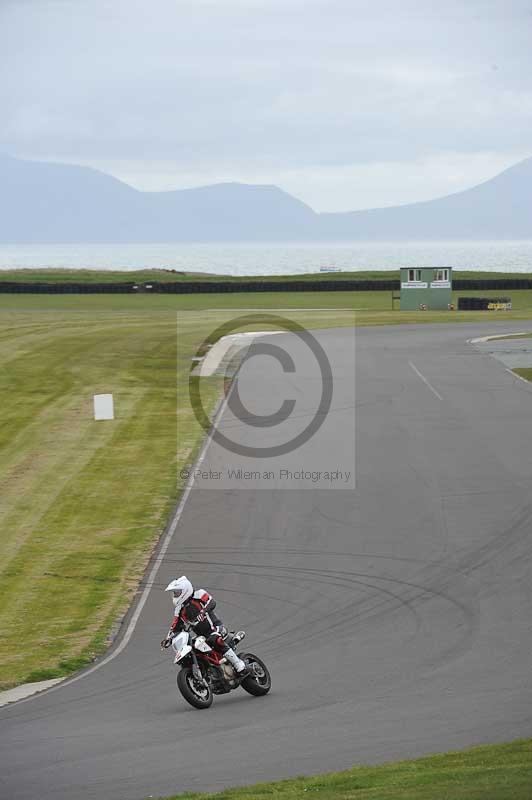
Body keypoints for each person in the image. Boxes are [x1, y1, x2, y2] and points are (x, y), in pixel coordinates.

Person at [160, 575, 248, 675]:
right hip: (201, 636)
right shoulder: (179, 610)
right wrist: (168, 639)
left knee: (214, 639)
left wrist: (203, 611)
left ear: (185, 590)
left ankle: (238, 663)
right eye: (174, 593)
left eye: (177, 592)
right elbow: (175, 626)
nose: (175, 595)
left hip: (215, 627)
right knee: (193, 647)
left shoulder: (199, 594)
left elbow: (211, 602)